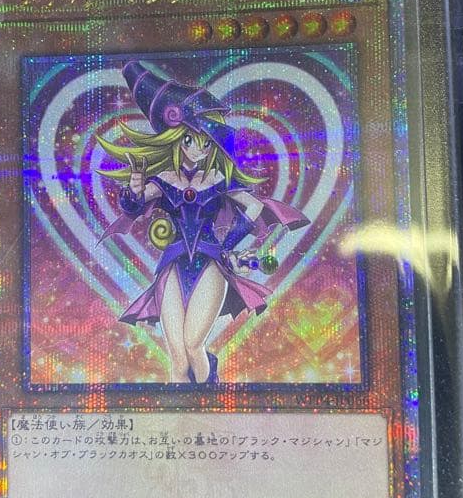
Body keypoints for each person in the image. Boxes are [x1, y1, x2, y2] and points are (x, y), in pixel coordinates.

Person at [97, 60, 308, 384]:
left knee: (195, 346)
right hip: (172, 266)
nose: (197, 149)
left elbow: (253, 205)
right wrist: (135, 191)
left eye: (206, 142)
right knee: (178, 358)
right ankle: (179, 410)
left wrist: (228, 243)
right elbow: (133, 207)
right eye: (189, 140)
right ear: (175, 139)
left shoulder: (217, 179)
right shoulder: (165, 179)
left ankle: (209, 396)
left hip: (210, 264)